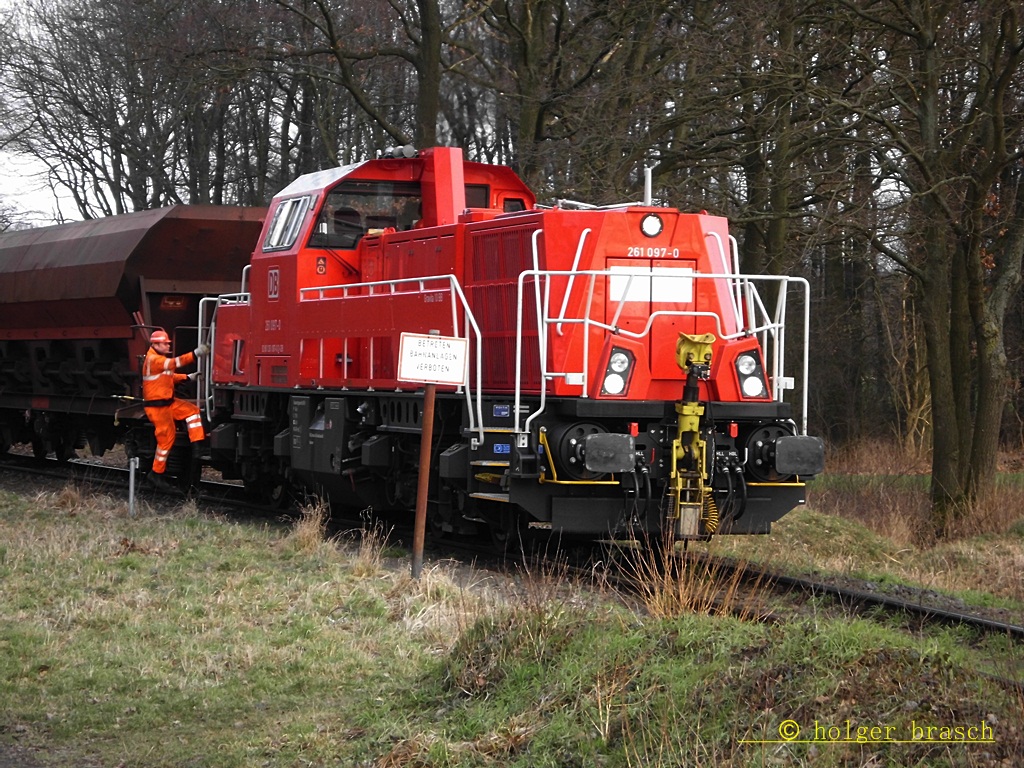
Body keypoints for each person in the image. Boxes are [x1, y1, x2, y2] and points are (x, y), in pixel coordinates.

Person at [142, 329, 209, 490]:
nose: (167, 346)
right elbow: (174, 364)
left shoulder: (158, 360)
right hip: (158, 408)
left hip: (167, 403)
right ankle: (156, 474)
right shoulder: (154, 359)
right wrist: (196, 353)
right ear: (155, 344)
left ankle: (198, 445)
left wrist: (187, 377)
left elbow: (168, 376)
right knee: (166, 439)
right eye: (165, 344)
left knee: (192, 411)